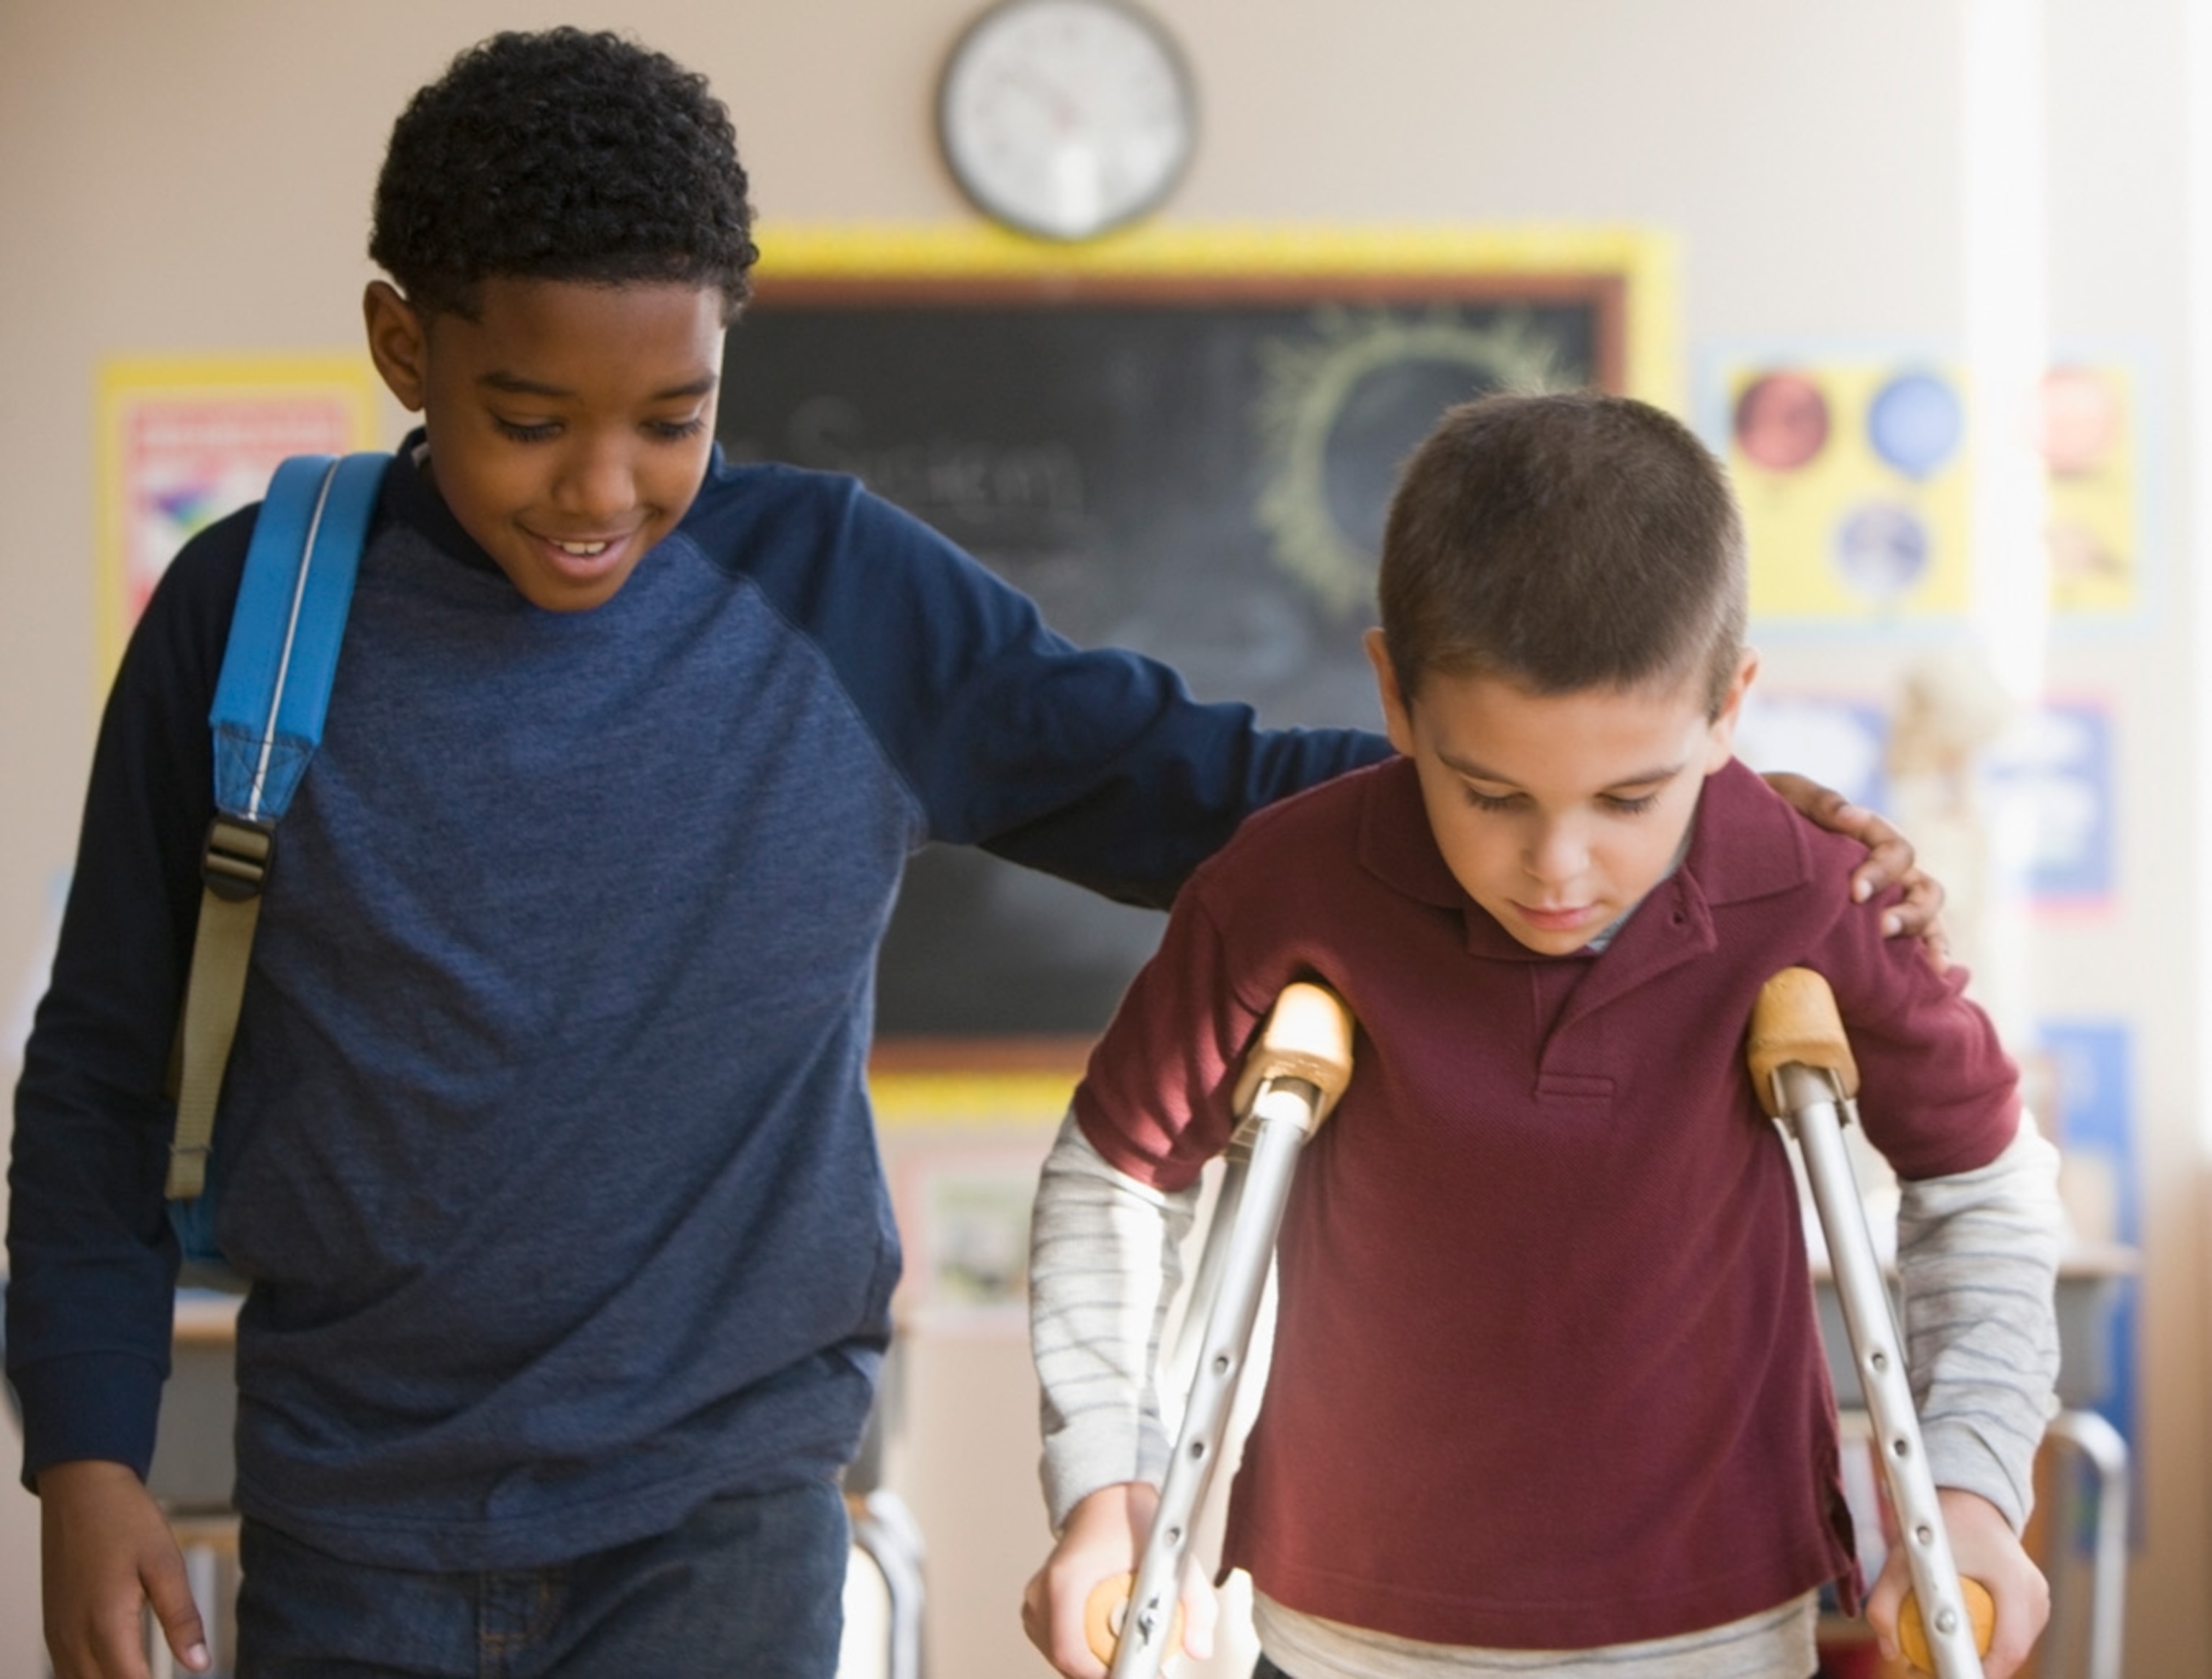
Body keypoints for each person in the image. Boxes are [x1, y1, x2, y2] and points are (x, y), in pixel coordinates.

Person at [6, 30, 1941, 1679]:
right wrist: (85, 1458)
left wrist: (1672, 810)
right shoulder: (253, 612)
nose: (604, 489)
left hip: (722, 1499)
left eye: (672, 416)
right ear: (401, 346)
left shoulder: (836, 590)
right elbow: (96, 1067)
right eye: (530, 421)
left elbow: (1218, 785)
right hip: (351, 1507)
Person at [1022, 392, 2063, 1679]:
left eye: (1631, 797)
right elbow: (1118, 1179)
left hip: (1720, 1625)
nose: (1559, 866)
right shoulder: (1288, 889)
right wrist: (1105, 1484)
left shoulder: (1808, 888)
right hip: (1349, 1630)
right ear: (1394, 694)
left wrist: (1970, 1484)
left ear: (1730, 707)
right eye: (1491, 792)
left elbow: (1983, 1185)